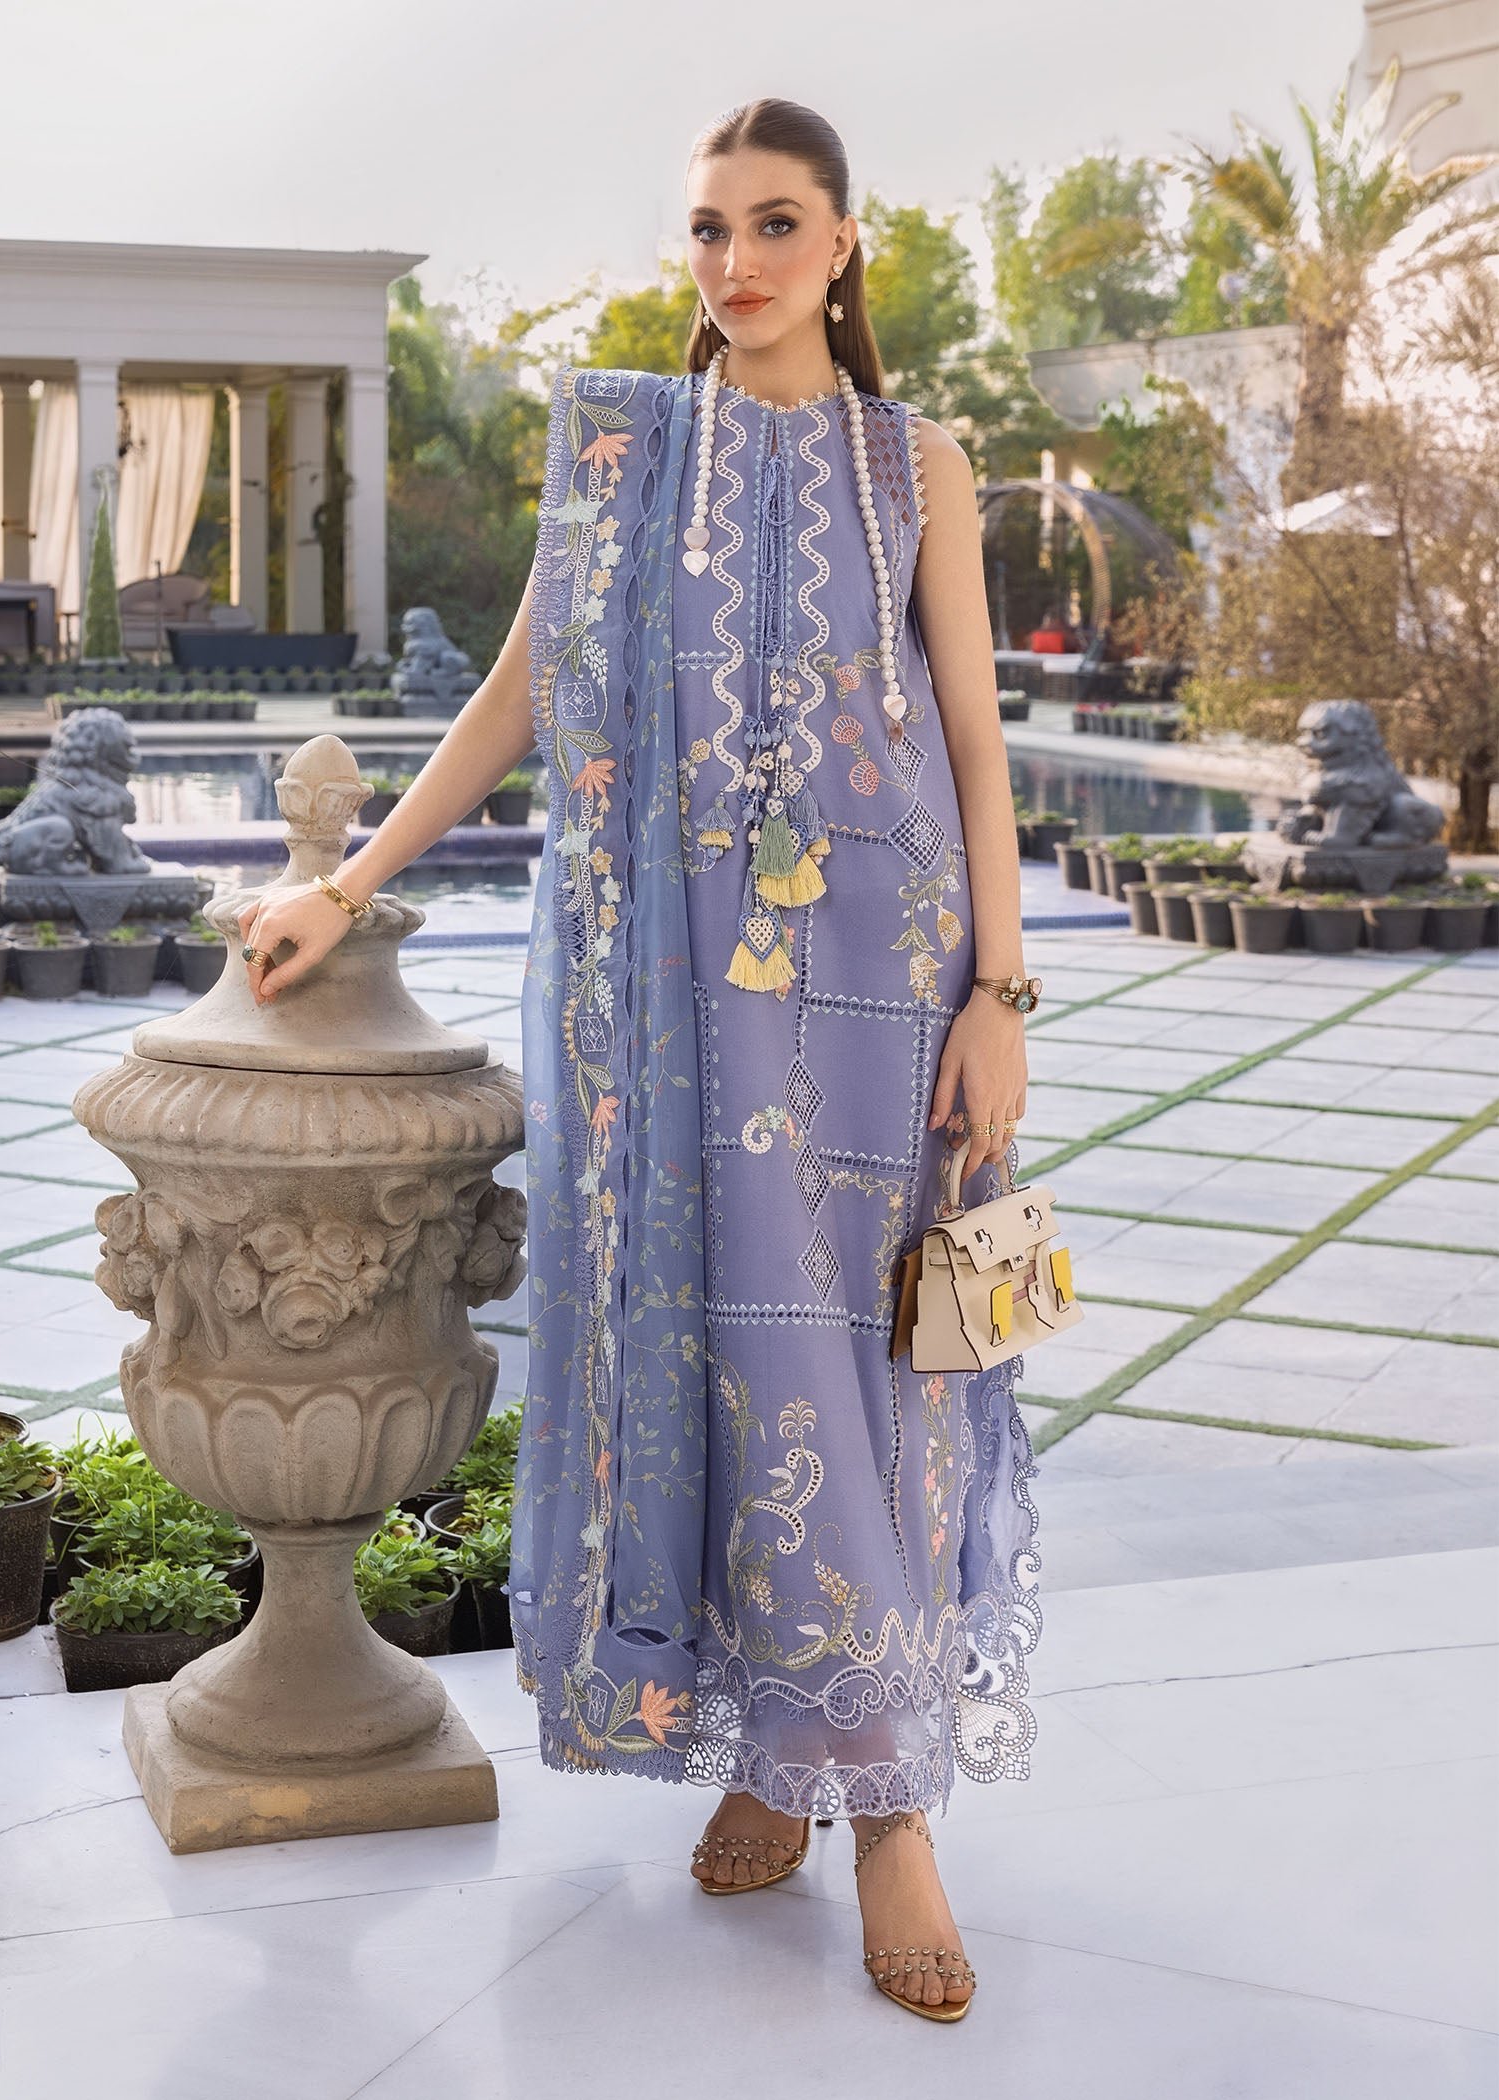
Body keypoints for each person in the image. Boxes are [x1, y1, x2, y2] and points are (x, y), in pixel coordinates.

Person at [233, 95, 1043, 2025]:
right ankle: (776, 1748)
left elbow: (974, 737)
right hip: (674, 1001)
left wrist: (1001, 999)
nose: (736, 262)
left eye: (776, 224)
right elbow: (520, 693)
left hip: (886, 984)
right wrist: (345, 884)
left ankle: (892, 1812)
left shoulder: (915, 465)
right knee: (712, 1356)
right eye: (708, 228)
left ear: (845, 243)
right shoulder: (626, 459)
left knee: (868, 1374)